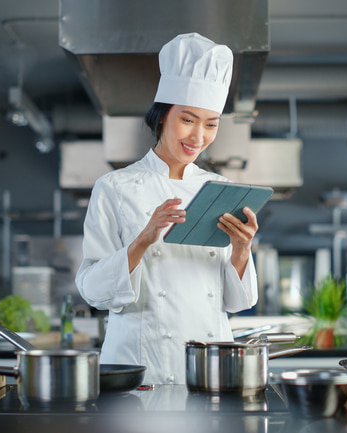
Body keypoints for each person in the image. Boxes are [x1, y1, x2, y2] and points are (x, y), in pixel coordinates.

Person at [75, 33, 259, 385]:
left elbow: (239, 301)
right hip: (140, 366)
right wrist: (143, 240)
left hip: (211, 364)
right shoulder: (114, 187)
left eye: (211, 124)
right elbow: (93, 290)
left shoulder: (220, 190)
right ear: (162, 116)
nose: (198, 137)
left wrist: (241, 249)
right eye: (187, 120)